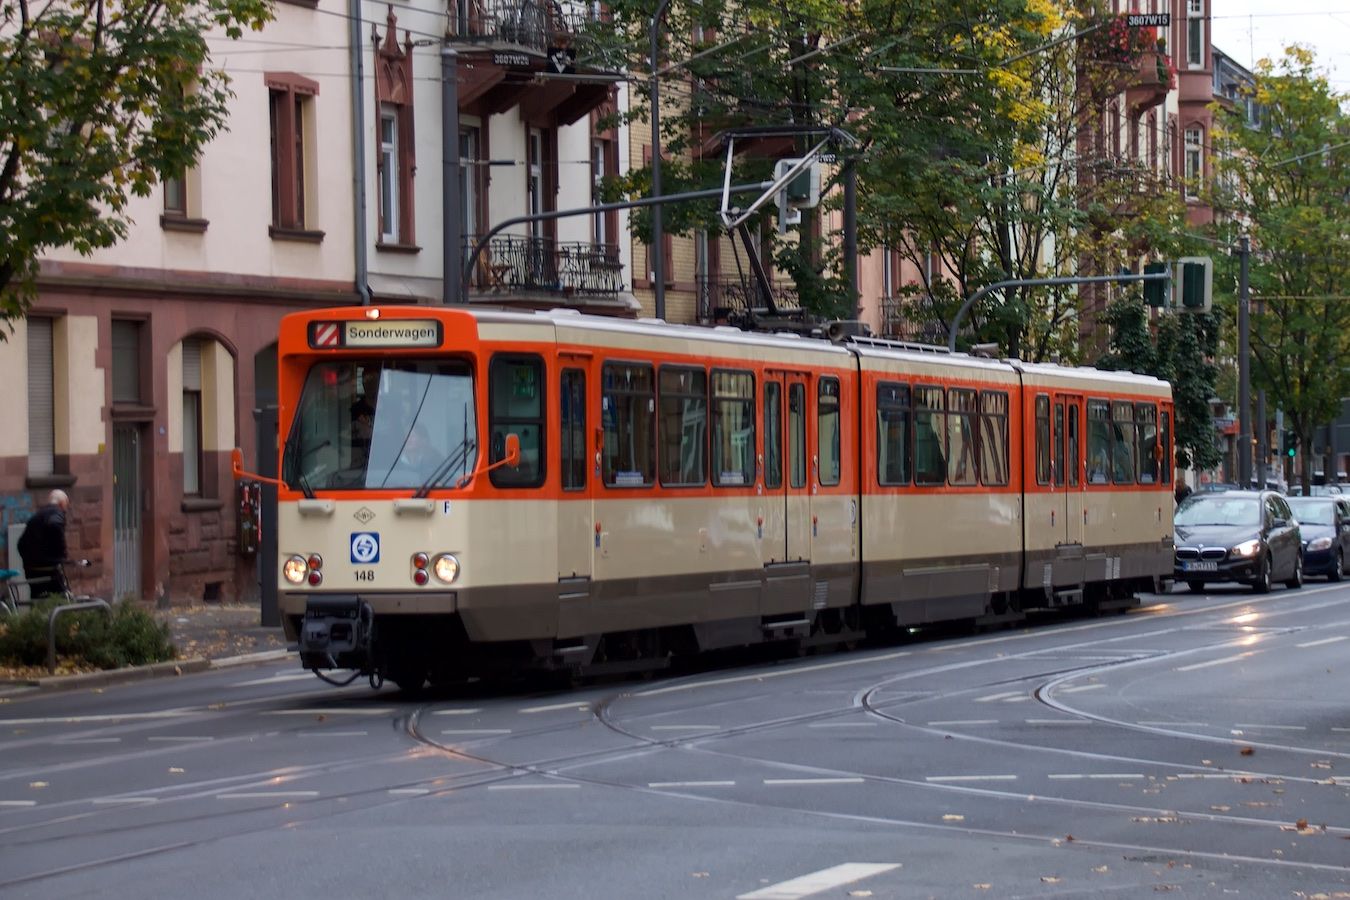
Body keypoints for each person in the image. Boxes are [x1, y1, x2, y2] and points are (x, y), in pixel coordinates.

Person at [17, 490, 70, 596]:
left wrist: (28, 560)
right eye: (65, 507)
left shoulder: (37, 515)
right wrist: (62, 554)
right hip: (49, 568)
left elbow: (21, 544)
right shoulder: (56, 512)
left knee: (38, 599)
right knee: (60, 598)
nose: (65, 511)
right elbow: (55, 525)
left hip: (31, 569)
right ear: (61, 504)